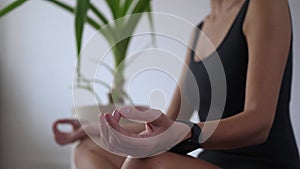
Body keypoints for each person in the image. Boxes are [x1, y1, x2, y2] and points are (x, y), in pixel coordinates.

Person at [52, 0, 300, 168]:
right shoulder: (200, 30)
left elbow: (260, 123)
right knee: (88, 149)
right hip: (211, 161)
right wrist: (95, 127)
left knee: (145, 162)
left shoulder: (264, 5)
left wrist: (191, 132)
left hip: (262, 163)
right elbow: (167, 121)